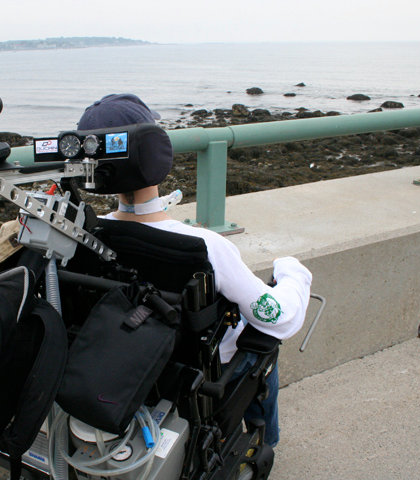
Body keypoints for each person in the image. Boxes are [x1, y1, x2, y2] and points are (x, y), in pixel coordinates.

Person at [77, 93, 313, 447]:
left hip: (126, 360)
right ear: (153, 151)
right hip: (197, 369)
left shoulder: (87, 234)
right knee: (264, 345)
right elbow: (278, 317)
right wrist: (293, 272)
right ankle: (266, 443)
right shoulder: (204, 245)